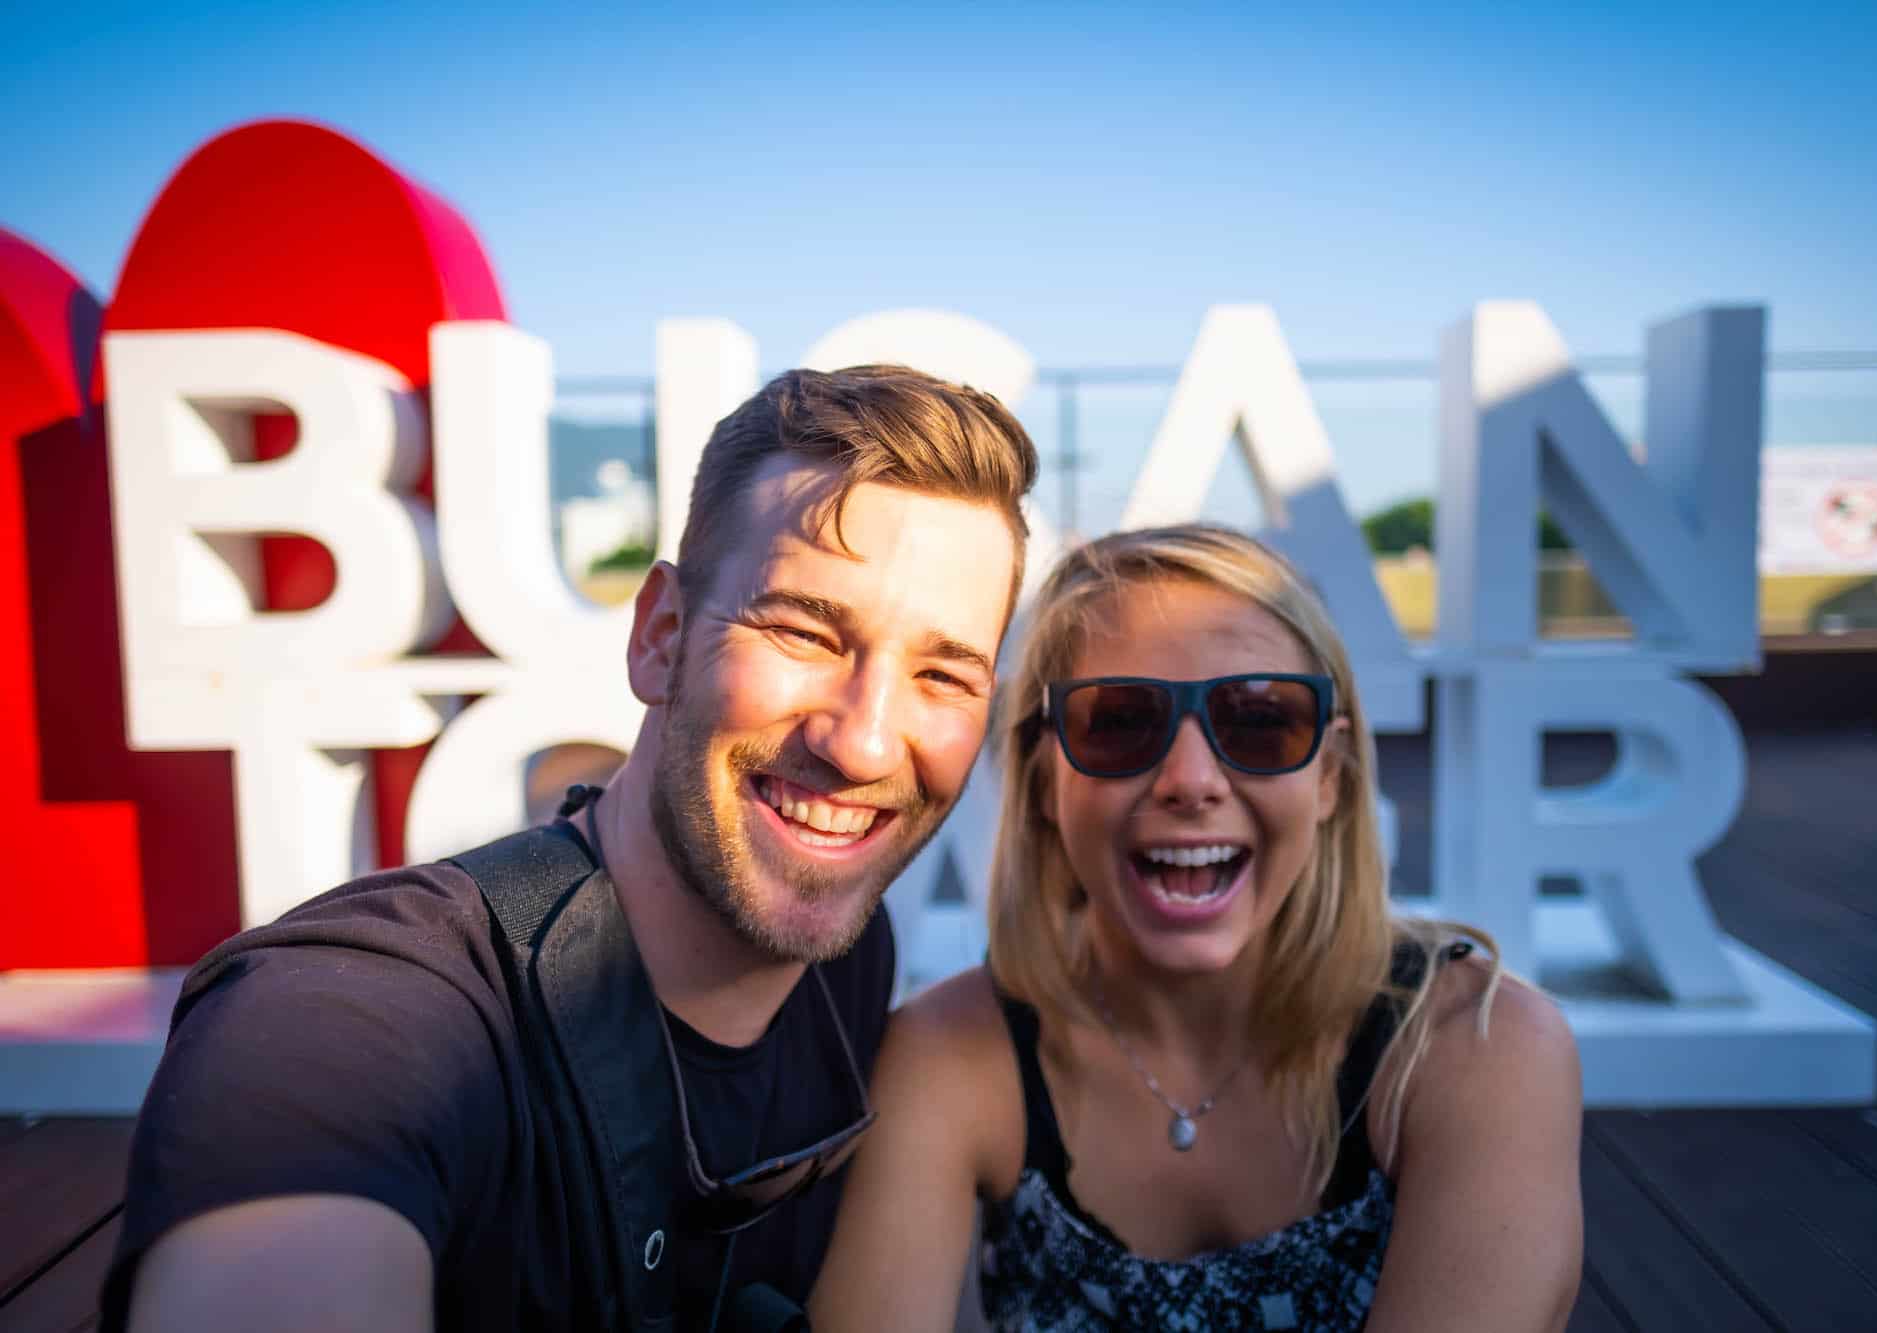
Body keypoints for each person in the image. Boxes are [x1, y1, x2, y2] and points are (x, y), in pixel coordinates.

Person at [105, 366, 1040, 1332]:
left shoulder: (841, 966)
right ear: (661, 636)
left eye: (942, 673)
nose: (866, 742)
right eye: (803, 631)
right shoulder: (358, 1020)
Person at [811, 524, 1583, 1332]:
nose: (1190, 780)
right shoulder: (954, 1056)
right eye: (1117, 722)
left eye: (1259, 720)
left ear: (1329, 775)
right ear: (1042, 780)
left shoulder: (1480, 1048)